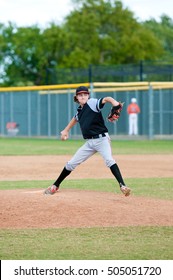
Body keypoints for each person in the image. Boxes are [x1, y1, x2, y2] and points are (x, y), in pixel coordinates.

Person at [44, 86, 131, 196]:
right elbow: (75, 118)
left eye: (85, 94)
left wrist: (115, 104)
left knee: (109, 160)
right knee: (71, 163)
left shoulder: (92, 103)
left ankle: (122, 185)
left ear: (88, 96)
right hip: (90, 143)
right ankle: (55, 186)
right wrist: (66, 130)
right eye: (80, 95)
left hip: (102, 140)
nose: (83, 96)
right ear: (76, 97)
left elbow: (106, 98)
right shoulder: (80, 111)